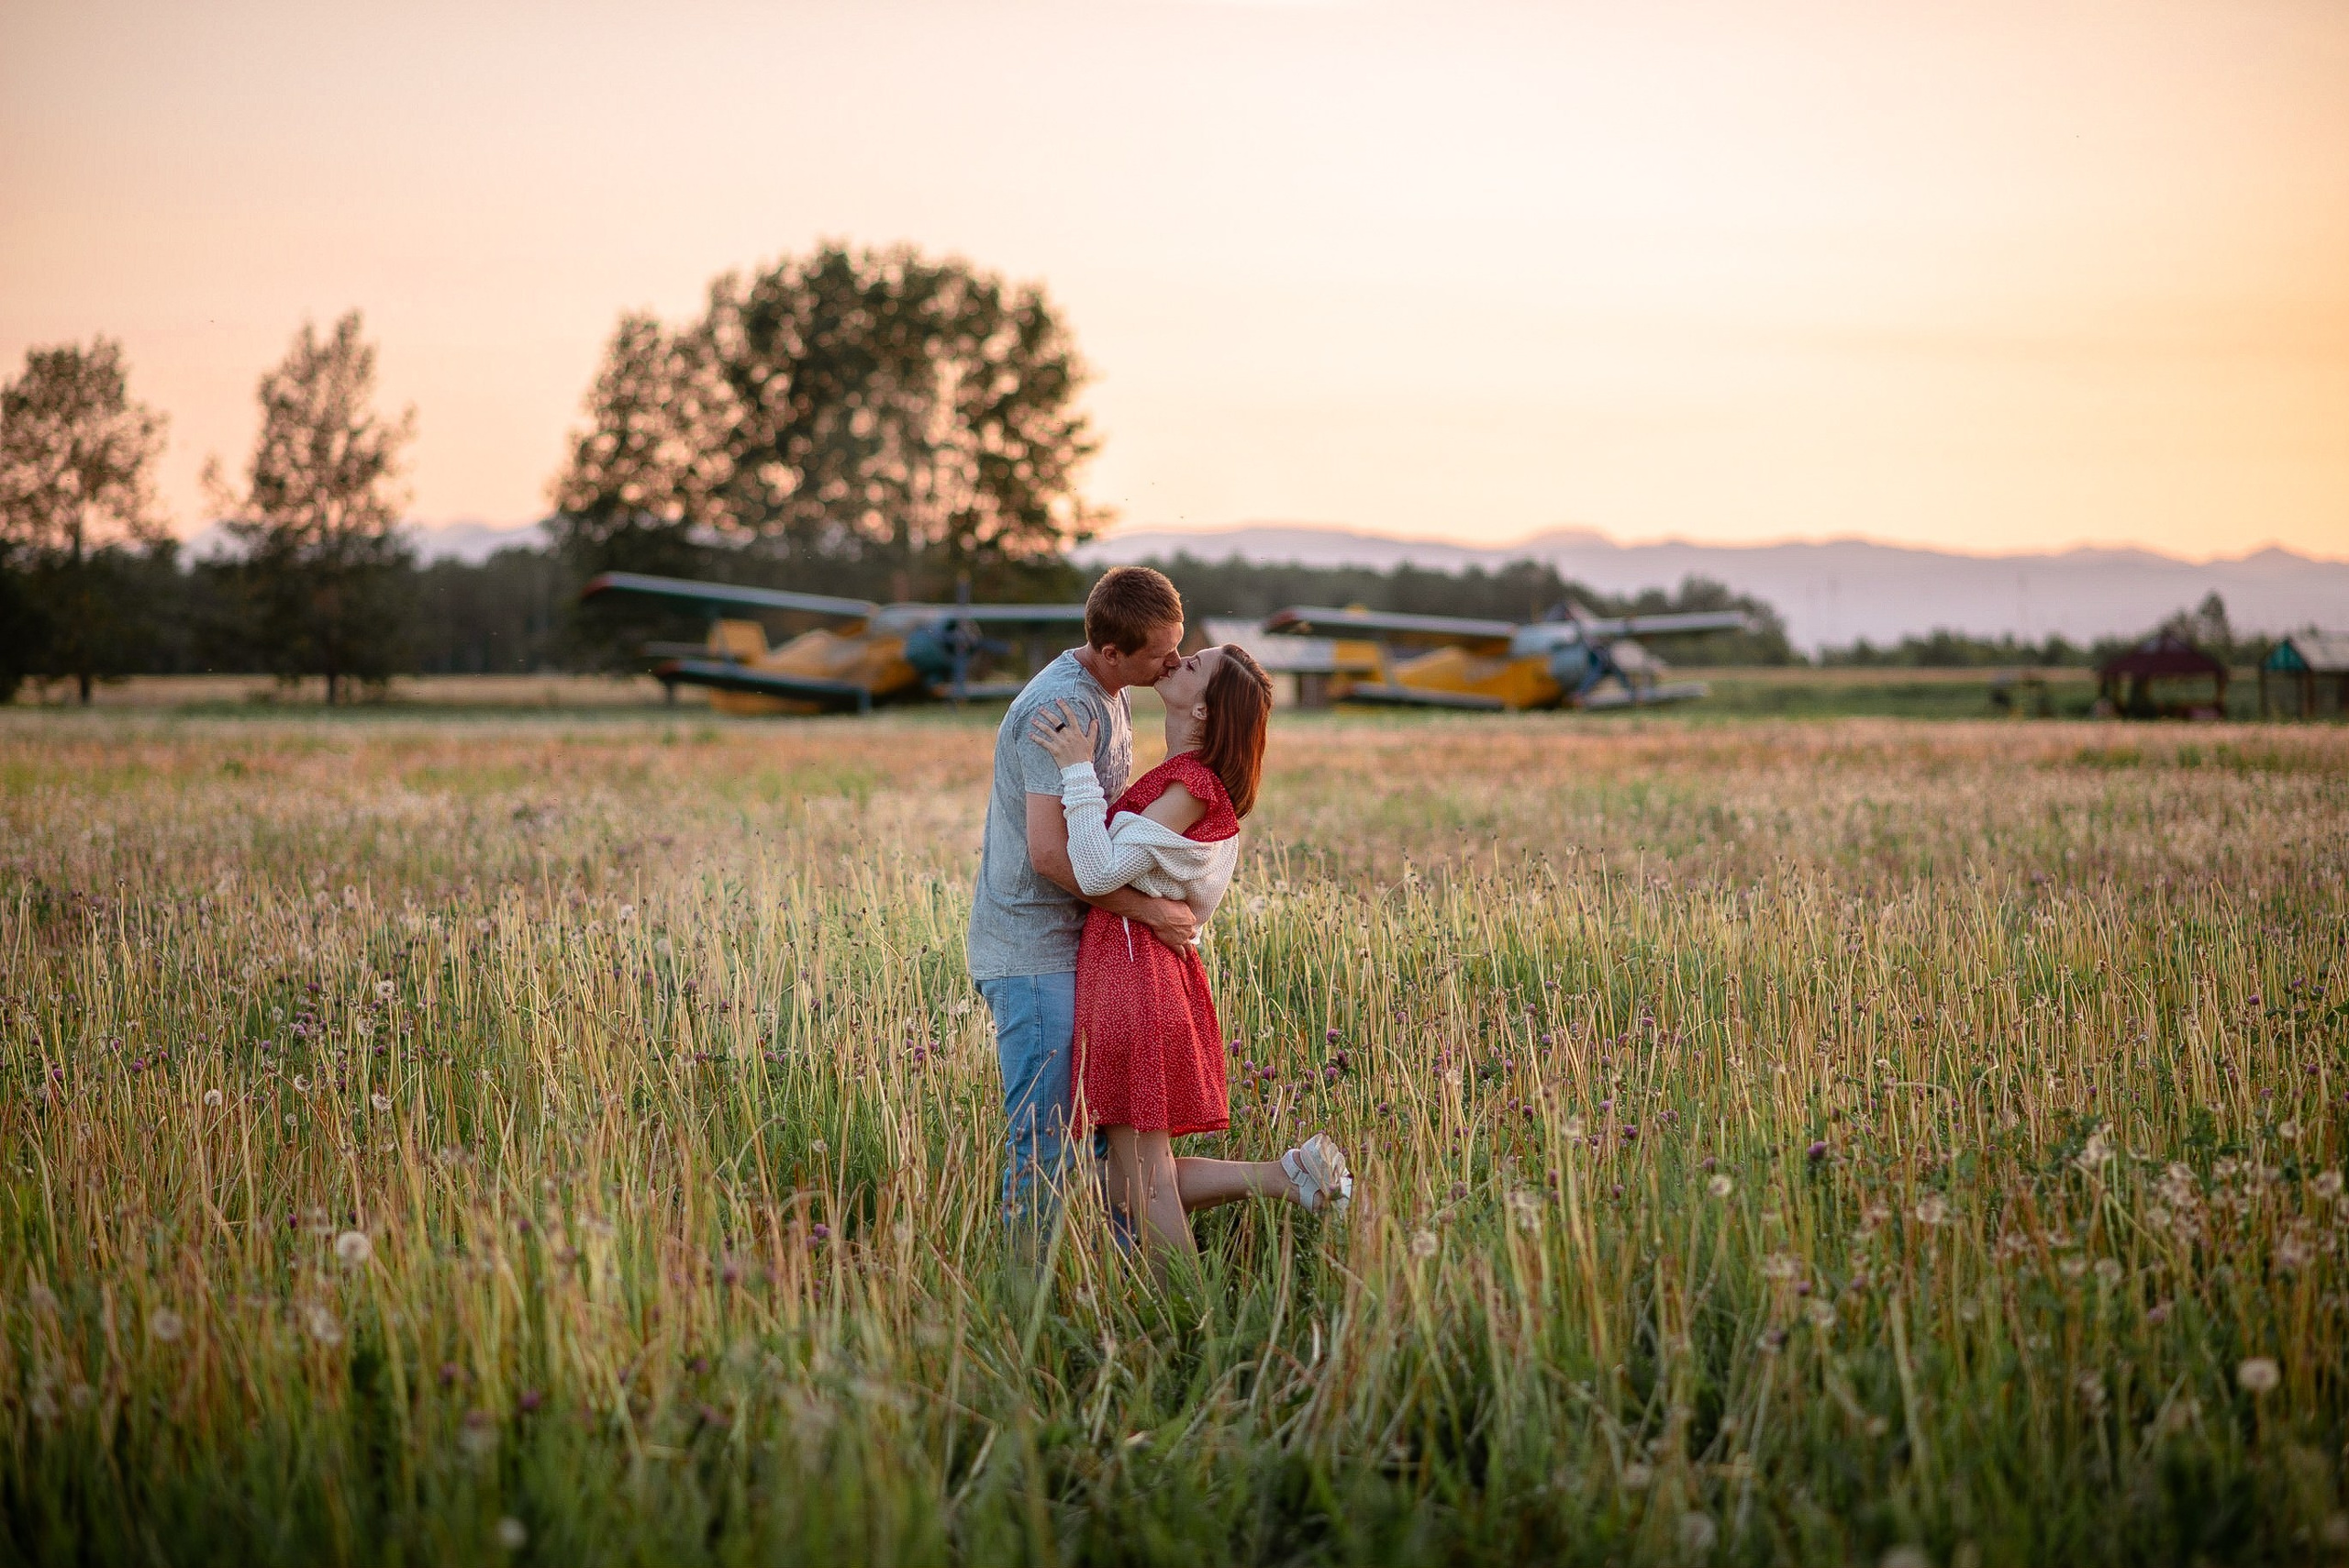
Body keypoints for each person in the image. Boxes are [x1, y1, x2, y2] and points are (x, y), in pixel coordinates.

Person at [1030, 642, 1353, 1269]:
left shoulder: (1192, 785)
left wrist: (1074, 769)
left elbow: (1095, 872)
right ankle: (1291, 1176)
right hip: (1126, 968)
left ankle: (1188, 1317)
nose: (1176, 658)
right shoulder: (1172, 778)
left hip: (1134, 977)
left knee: (1144, 1182)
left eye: (1194, 664)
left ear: (1204, 711)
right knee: (1122, 1181)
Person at [968, 565, 1195, 1232]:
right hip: (1032, 951)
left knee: (1103, 1147)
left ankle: (1124, 1295)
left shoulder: (1116, 691)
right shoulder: (1059, 708)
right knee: (1043, 1148)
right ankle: (1023, 1307)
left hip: (1080, 948)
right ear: (1112, 652)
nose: (1175, 660)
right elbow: (1048, 851)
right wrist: (1150, 910)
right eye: (1162, 652)